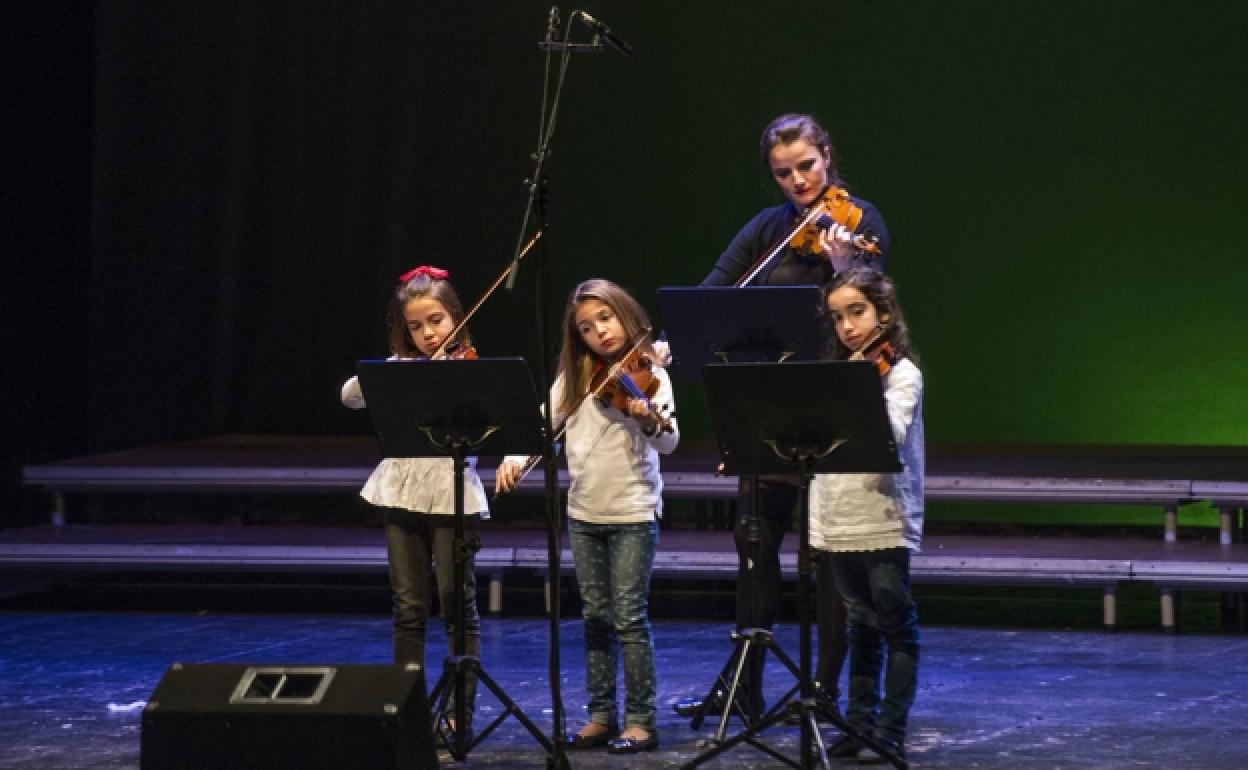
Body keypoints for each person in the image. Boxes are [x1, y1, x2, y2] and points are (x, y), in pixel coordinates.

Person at [675, 112, 891, 720]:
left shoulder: (859, 222)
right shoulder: (768, 228)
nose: (797, 181)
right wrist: (671, 339)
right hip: (767, 403)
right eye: (783, 172)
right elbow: (716, 290)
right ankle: (743, 683)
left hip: (831, 400)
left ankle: (823, 689)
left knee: (825, 553)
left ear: (828, 155)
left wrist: (845, 264)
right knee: (754, 541)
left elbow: (870, 303)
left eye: (807, 166)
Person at [496, 278, 679, 755]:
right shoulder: (575, 380)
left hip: (634, 511)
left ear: (626, 314)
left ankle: (640, 719)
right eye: (587, 326)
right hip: (583, 514)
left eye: (606, 317)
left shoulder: (651, 372)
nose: (599, 330)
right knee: (595, 616)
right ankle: (600, 716)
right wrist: (516, 456)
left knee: (629, 617)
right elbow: (542, 423)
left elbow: (669, 439)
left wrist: (645, 418)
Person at [340, 265, 486, 740]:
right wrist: (390, 374)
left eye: (437, 321)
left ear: (457, 319)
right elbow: (350, 395)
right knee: (408, 606)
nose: (428, 334)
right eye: (416, 327)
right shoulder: (403, 369)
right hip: (402, 491)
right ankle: (405, 708)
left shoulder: (469, 368)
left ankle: (460, 712)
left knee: (455, 602)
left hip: (449, 494)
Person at [812, 267, 923, 763]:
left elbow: (891, 435)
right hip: (839, 514)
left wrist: (859, 390)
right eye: (838, 317)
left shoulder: (899, 374)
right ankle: (858, 725)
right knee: (859, 624)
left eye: (856, 312)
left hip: (883, 515)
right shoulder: (835, 375)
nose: (847, 327)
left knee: (894, 622)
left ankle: (891, 728)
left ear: (884, 312)